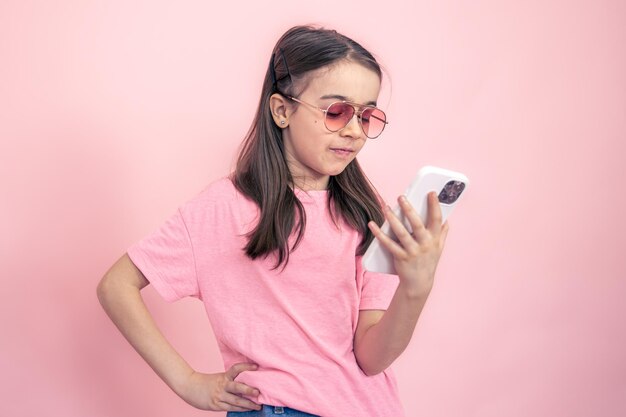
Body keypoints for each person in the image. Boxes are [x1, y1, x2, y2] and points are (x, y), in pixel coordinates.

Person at [97, 24, 449, 417]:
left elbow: (370, 359)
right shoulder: (223, 208)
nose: (354, 131)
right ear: (282, 110)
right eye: (336, 111)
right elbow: (117, 285)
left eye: (366, 116)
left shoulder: (366, 212)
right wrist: (187, 381)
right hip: (278, 409)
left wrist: (415, 289)